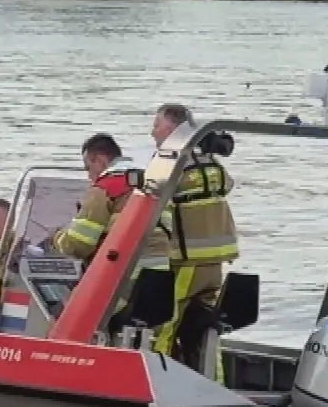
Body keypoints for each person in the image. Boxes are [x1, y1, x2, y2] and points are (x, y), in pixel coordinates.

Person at [149, 102, 239, 371]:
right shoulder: (210, 164)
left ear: (173, 129)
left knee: (165, 323)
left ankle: (157, 378)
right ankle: (214, 384)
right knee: (205, 328)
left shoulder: (171, 167)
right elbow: (227, 185)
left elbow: (148, 204)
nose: (152, 133)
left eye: (156, 126)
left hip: (187, 261)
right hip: (216, 263)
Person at [52, 132, 169, 283]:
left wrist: (56, 238)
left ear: (101, 160)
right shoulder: (152, 182)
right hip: (161, 273)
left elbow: (79, 244)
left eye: (88, 168)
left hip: (124, 279)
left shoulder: (106, 187)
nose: (89, 176)